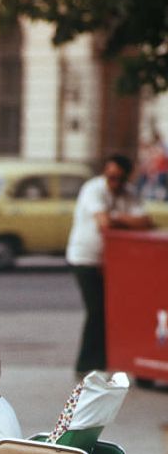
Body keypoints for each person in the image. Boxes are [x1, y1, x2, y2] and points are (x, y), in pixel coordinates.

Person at [66, 154, 153, 375]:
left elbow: (145, 222)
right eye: (110, 177)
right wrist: (123, 219)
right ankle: (86, 364)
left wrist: (116, 216)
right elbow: (103, 223)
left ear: (126, 178)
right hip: (85, 257)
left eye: (118, 178)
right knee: (96, 310)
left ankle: (103, 362)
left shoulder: (129, 193)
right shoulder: (93, 188)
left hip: (114, 262)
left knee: (112, 311)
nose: (113, 182)